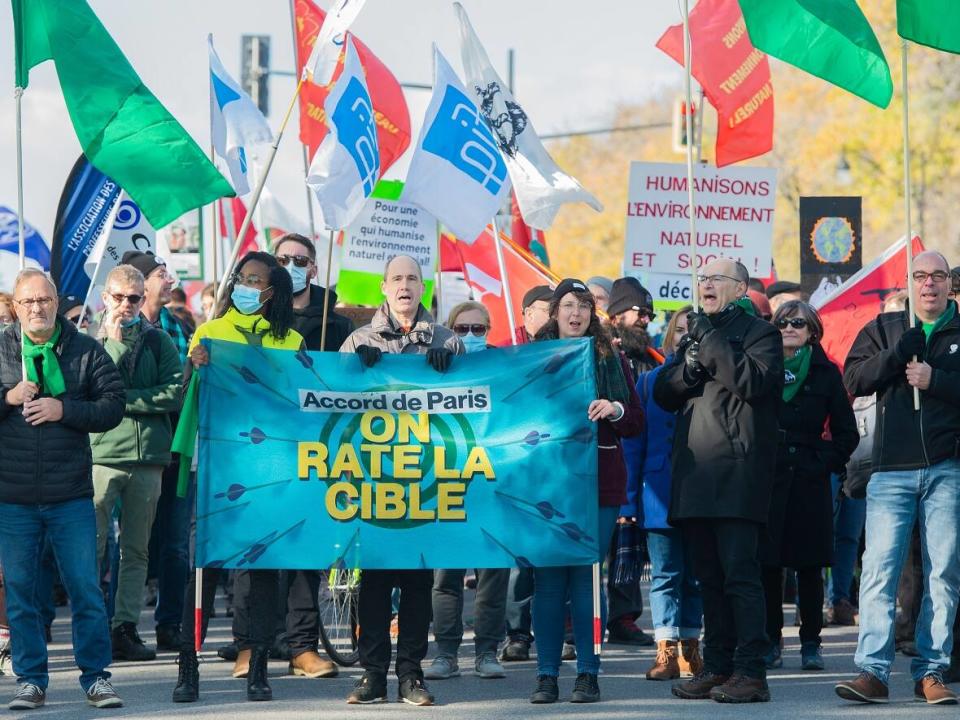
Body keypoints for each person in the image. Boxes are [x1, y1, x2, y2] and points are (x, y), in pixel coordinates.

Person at [172, 252, 304, 704]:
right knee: (204, 569)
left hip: (269, 472)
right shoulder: (209, 332)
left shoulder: (290, 340)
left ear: (271, 293)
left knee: (263, 572)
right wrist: (197, 365)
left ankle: (259, 665)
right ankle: (188, 667)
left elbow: (305, 400)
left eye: (256, 281)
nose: (246, 286)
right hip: (217, 468)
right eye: (241, 278)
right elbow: (186, 392)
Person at [654, 259, 783, 703]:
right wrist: (687, 367)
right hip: (695, 475)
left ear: (741, 288)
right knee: (707, 578)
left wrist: (708, 341)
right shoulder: (693, 334)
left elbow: (752, 383)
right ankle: (718, 666)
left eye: (716, 279)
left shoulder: (761, 334)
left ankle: (752, 672)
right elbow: (662, 394)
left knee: (739, 576)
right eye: (702, 279)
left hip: (737, 472)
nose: (705, 285)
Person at [836, 251, 960, 705]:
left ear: (950, 284)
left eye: (938, 276)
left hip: (948, 469)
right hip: (891, 471)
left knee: (943, 572)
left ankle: (932, 670)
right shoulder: (885, 327)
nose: (929, 284)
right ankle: (872, 670)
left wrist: (937, 380)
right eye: (921, 276)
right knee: (879, 571)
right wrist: (895, 356)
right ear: (910, 282)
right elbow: (853, 379)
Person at [339, 255, 463, 707]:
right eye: (397, 278)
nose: (405, 285)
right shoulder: (358, 340)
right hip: (373, 481)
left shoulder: (448, 341)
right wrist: (356, 371)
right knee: (371, 583)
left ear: (423, 286)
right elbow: (331, 406)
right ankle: (372, 674)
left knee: (416, 585)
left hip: (427, 479)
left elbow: (478, 401)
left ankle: (411, 675)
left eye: (412, 278)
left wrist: (452, 365)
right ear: (384, 288)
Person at [0, 269, 125, 710]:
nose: (37, 308)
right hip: (13, 498)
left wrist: (63, 409)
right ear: (15, 307)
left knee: (85, 588)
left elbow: (113, 405)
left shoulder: (86, 350)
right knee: (21, 591)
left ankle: (96, 677)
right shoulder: (1, 349)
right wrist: (8, 398)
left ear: (56, 302)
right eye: (28, 301)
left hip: (70, 494)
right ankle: (30, 680)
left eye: (44, 300)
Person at [528, 278, 643, 704]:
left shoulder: (610, 356)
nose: (576, 313)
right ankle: (545, 674)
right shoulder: (532, 358)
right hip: (547, 486)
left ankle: (588, 674)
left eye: (585, 307)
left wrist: (614, 408)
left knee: (587, 580)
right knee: (549, 581)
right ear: (555, 312)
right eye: (568, 305)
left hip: (600, 483)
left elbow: (636, 421)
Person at [91, 265, 183, 662]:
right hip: (101, 455)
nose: (126, 305)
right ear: (105, 297)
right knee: (90, 546)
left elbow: (173, 394)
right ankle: (91, 625)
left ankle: (124, 627)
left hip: (147, 457)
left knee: (136, 549)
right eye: (119, 297)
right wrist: (112, 345)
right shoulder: (87, 340)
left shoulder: (159, 340)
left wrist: (123, 401)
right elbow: (90, 390)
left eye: (134, 298)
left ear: (143, 299)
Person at [760, 302, 858, 671]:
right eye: (782, 322)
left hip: (809, 476)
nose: (789, 328)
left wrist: (822, 462)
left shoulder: (826, 372)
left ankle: (811, 643)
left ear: (812, 330)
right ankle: (772, 640)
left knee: (809, 566)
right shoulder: (763, 366)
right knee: (768, 566)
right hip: (770, 475)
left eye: (797, 323)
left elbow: (846, 434)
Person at [426, 301, 508, 681]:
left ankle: (487, 650)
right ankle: (445, 653)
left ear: (489, 330)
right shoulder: (437, 364)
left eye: (478, 329)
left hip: (491, 482)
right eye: (461, 329)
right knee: (446, 575)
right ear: (449, 330)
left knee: (493, 575)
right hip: (446, 480)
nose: (470, 336)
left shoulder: (507, 364)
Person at [623, 305, 704, 681]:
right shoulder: (650, 381)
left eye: (695, 330)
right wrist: (628, 500)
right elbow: (634, 445)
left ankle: (691, 646)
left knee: (695, 576)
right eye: (680, 330)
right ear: (669, 337)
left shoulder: (712, 379)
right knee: (666, 574)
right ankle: (666, 650)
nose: (687, 337)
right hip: (659, 492)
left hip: (702, 491)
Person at [121, 251, 193, 654]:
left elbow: (180, 391)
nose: (170, 280)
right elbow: (111, 392)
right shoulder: (116, 328)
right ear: (142, 282)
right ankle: (121, 625)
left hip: (176, 449)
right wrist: (157, 396)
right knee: (131, 543)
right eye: (162, 274)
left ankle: (169, 624)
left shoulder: (180, 327)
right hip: (130, 453)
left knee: (176, 544)